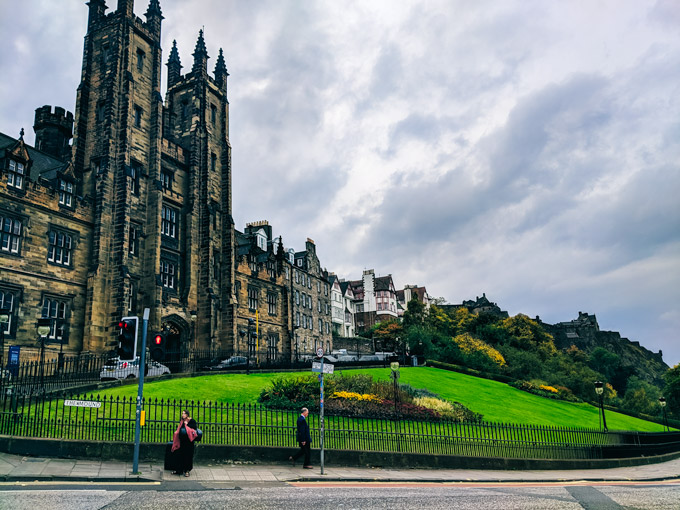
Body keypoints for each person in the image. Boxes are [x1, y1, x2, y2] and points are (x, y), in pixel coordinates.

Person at [171, 410, 198, 476]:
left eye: (184, 414)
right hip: (181, 441)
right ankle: (179, 470)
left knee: (188, 456)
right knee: (179, 455)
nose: (183, 415)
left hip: (189, 442)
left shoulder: (192, 421)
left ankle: (187, 471)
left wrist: (186, 425)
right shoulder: (182, 421)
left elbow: (193, 430)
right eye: (182, 413)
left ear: (187, 414)